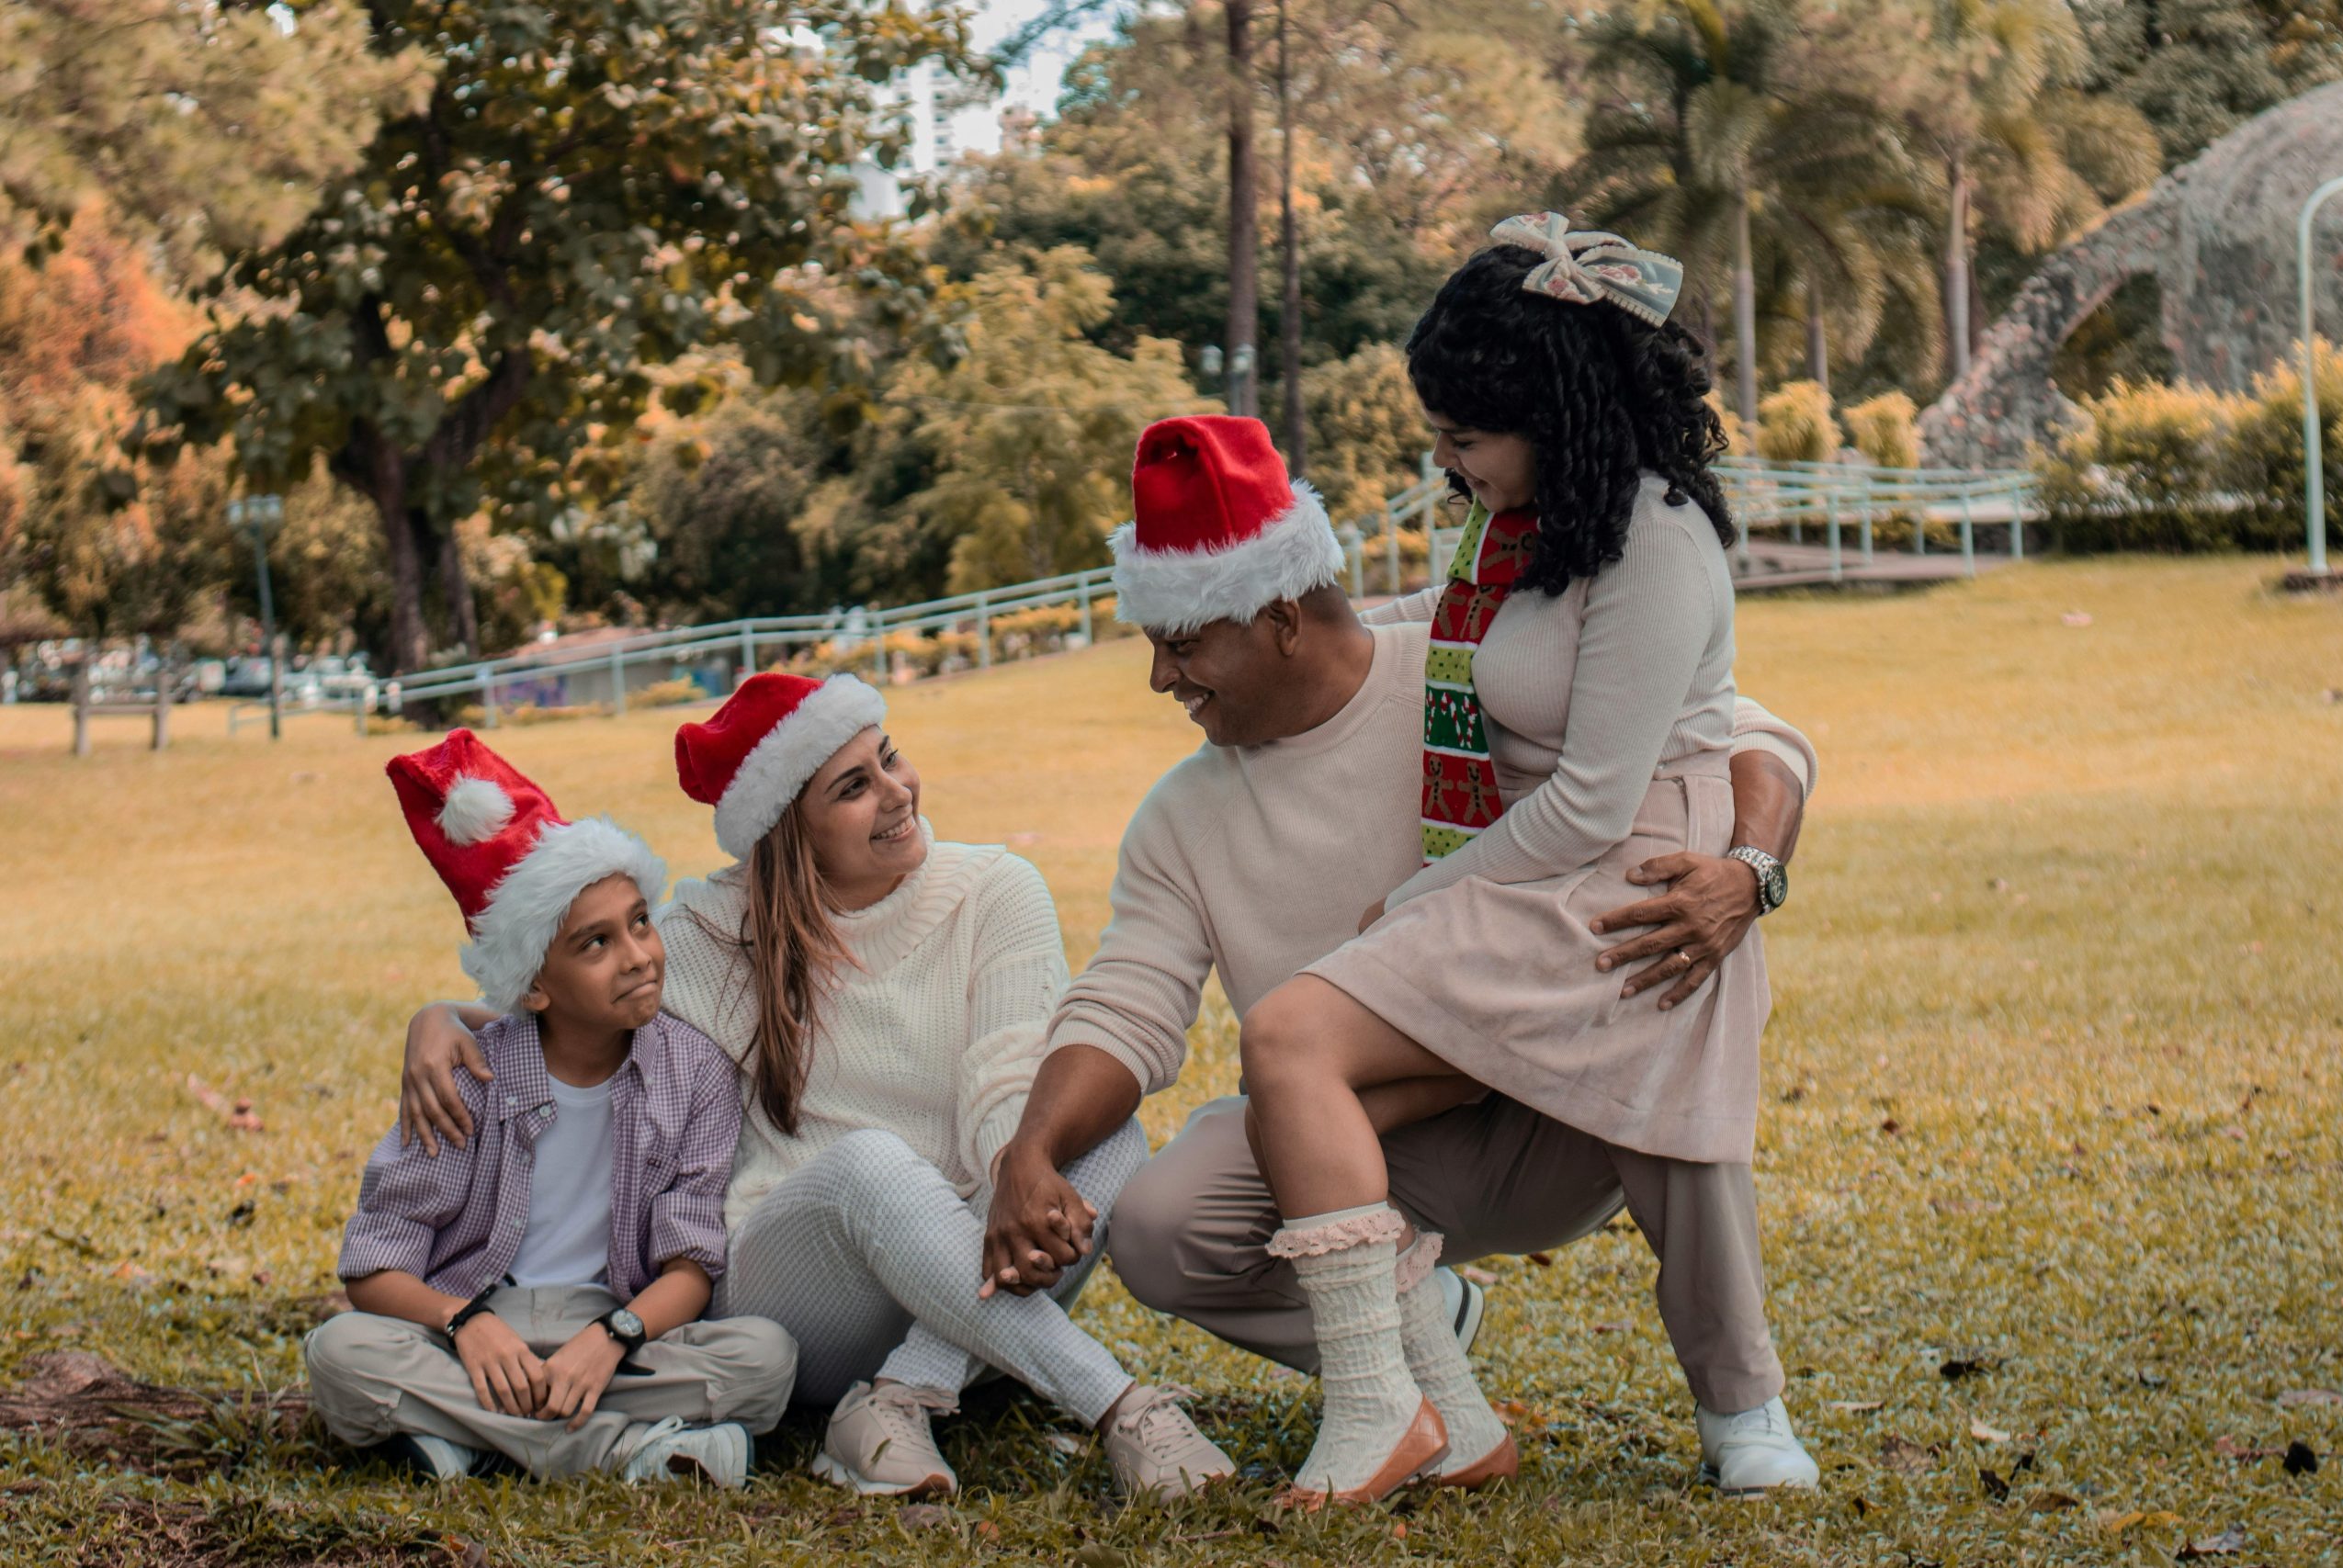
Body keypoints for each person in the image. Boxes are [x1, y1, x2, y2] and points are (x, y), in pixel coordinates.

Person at [983, 404, 1817, 1500]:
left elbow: (1742, 733)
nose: (1162, 681)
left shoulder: (1467, 671)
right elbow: (1128, 1004)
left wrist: (1744, 875)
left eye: (1182, 644)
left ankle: (1742, 1402)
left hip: (1564, 1104)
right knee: (1162, 1225)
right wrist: (1032, 1148)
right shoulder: (1179, 818)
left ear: (1280, 616)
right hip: (1365, 1134)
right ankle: (1415, 1356)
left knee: (1664, 966)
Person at [396, 674, 1234, 1501]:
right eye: (853, 787)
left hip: (974, 1251)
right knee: (874, 1163)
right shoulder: (710, 937)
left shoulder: (995, 890)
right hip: (800, 1284)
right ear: (789, 830)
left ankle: (900, 1396)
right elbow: (572, 1005)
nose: (898, 793)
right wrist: (443, 1015)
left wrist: (1024, 1167)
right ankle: (1120, 1405)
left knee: (1105, 1135)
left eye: (890, 758)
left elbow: (1011, 1076)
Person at [305, 730, 794, 1487]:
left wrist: (612, 1337)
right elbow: (371, 1265)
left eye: (639, 921)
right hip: (477, 1322)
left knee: (764, 1358)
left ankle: (471, 1442)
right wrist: (466, 1323)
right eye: (595, 943)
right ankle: (620, 1452)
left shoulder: (693, 1072)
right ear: (535, 985)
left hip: (611, 1331)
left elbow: (692, 1264)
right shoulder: (468, 1074)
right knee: (340, 1352)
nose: (637, 954)